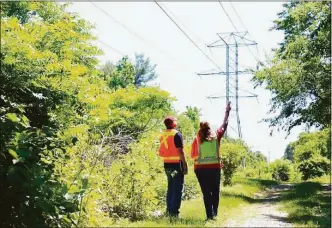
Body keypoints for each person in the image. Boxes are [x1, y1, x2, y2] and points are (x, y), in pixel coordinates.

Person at [190, 102, 231, 221]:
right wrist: (227, 112)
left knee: (206, 193)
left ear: (200, 128)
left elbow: (192, 154)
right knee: (215, 191)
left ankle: (209, 216)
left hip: (200, 169)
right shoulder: (216, 135)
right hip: (214, 168)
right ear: (209, 127)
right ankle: (215, 214)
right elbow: (225, 125)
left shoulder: (197, 138)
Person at [159, 116, 188, 218]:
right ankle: (174, 213)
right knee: (177, 188)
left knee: (170, 187)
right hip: (176, 165)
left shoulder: (163, 134)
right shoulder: (176, 134)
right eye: (176, 121)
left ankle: (169, 210)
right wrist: (185, 164)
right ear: (173, 123)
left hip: (167, 165)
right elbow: (180, 151)